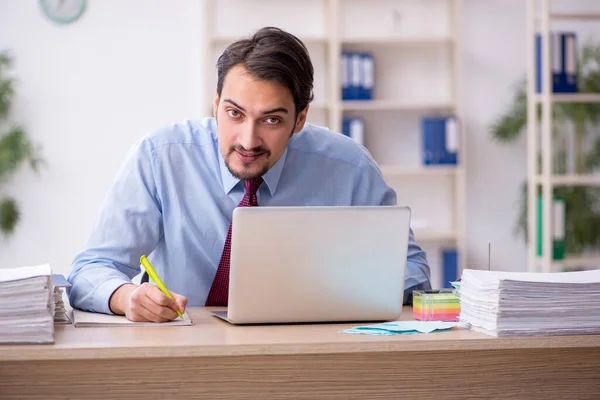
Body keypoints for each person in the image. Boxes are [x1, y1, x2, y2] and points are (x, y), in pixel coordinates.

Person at [67, 26, 431, 322]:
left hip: (308, 352)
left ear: (300, 118)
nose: (248, 140)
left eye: (272, 119)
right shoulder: (160, 156)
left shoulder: (349, 167)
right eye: (234, 113)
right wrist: (126, 296)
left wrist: (334, 290)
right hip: (182, 350)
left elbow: (413, 271)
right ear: (215, 104)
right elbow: (90, 270)